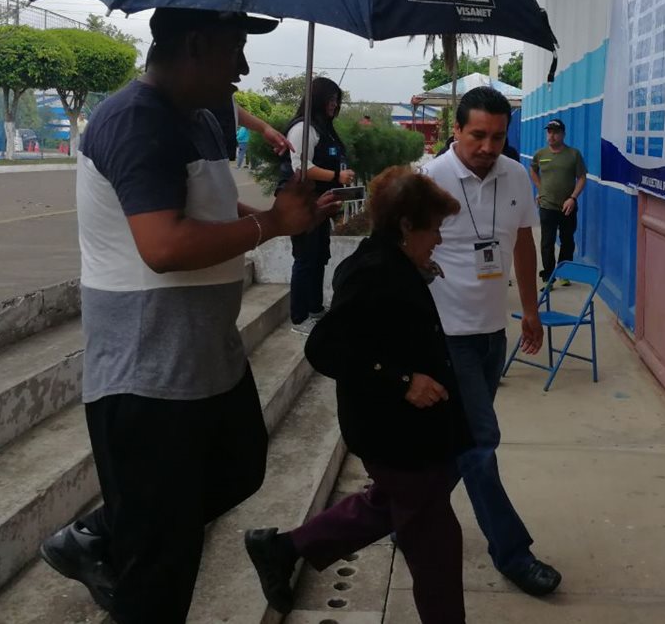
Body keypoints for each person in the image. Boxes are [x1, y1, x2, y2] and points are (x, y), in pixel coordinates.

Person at [38, 7, 337, 623]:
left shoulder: (199, 118)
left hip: (205, 358)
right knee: (160, 577)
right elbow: (165, 246)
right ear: (195, 45)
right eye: (235, 49)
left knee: (241, 466)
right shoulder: (135, 121)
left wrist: (279, 210)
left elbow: (211, 208)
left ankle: (100, 533)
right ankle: (114, 539)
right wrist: (271, 225)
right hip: (149, 374)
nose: (244, 67)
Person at [244, 167, 471, 624]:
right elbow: (324, 347)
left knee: (389, 504)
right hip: (397, 436)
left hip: (413, 433)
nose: (439, 241)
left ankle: (286, 547)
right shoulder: (375, 271)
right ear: (406, 225)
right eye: (434, 229)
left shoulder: (395, 263)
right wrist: (403, 381)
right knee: (436, 548)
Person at [420, 86, 562, 597]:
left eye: (497, 136)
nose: (487, 145)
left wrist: (530, 310)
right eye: (477, 134)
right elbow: (405, 257)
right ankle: (512, 552)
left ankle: (397, 512)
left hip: (490, 334)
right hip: (445, 335)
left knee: (456, 445)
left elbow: (523, 242)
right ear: (455, 131)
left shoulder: (517, 175)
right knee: (480, 444)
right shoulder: (430, 180)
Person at [279, 76, 354, 335]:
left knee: (319, 256)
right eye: (331, 99)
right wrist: (336, 177)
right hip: (304, 202)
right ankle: (299, 318)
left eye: (337, 100)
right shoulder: (303, 128)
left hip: (322, 205)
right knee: (305, 259)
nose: (334, 105)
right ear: (319, 99)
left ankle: (315, 308)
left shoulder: (324, 129)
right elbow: (302, 167)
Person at [529, 118, 587, 287]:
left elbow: (582, 177)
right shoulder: (540, 154)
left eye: (555, 132)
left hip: (567, 207)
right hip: (547, 205)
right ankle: (548, 276)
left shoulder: (573, 154)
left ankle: (564, 273)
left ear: (563, 134)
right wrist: (540, 189)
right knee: (547, 241)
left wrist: (573, 198)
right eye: (549, 132)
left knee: (567, 240)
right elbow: (532, 169)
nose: (551, 136)